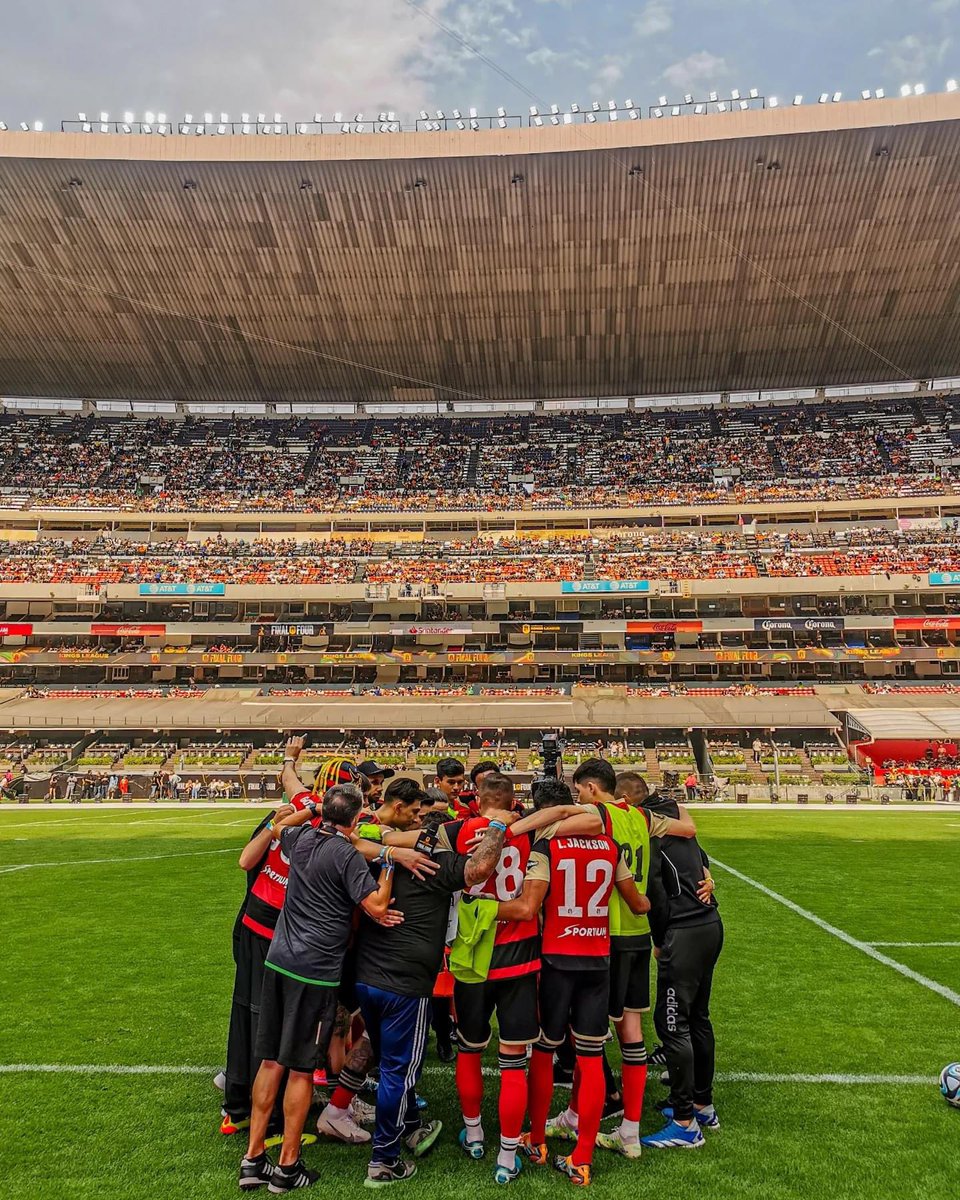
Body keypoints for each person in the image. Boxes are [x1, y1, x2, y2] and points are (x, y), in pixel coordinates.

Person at [509, 761, 700, 1163]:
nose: (577, 800)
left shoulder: (597, 816)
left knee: (584, 1040)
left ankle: (568, 1120)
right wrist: (674, 801)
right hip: (637, 934)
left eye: (580, 792)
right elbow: (688, 829)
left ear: (593, 789)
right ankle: (627, 1129)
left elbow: (558, 818)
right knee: (629, 1033)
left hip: (601, 934)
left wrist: (511, 829)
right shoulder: (642, 816)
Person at [239, 780, 399, 1194]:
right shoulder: (346, 854)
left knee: (270, 1062)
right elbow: (377, 907)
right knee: (299, 1070)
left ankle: (253, 1159)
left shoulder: (299, 837)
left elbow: (279, 828)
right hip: (316, 971)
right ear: (358, 817)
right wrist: (390, 864)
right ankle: (288, 1166)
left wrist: (310, 813)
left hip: (279, 961)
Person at [351, 788, 513, 1188]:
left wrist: (390, 847)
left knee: (389, 1059)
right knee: (398, 1071)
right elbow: (479, 868)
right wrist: (497, 826)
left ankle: (408, 1124)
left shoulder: (376, 851)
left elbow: (352, 835)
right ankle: (383, 1160)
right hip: (405, 983)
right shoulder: (437, 863)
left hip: (367, 975)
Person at [495, 787, 648, 1187]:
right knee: (592, 1056)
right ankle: (582, 1158)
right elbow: (636, 902)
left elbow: (533, 903)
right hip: (598, 960)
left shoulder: (549, 846)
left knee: (545, 1048)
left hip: (556, 958)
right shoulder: (610, 846)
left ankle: (538, 1140)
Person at [441, 773, 553, 1185]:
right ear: (512, 800)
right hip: (520, 958)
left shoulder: (456, 830)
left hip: (471, 957)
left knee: (470, 1050)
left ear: (478, 798)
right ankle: (507, 1154)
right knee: (512, 1063)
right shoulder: (532, 834)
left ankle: (473, 1134)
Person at [640, 791, 723, 1151]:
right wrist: (708, 879)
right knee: (697, 1018)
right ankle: (702, 1105)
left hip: (684, 932)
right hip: (709, 925)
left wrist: (659, 941)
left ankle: (685, 1122)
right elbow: (701, 861)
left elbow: (657, 896)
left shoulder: (653, 834)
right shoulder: (680, 829)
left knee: (673, 1024)